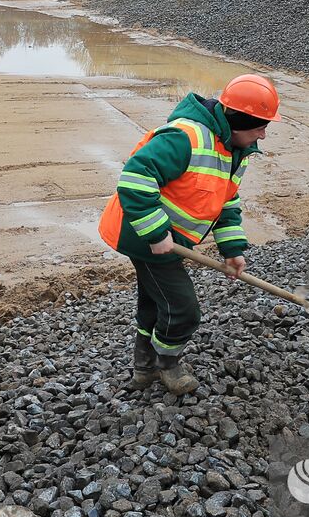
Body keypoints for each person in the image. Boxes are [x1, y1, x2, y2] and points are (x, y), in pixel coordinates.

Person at [98, 74, 280, 395]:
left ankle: (144, 368)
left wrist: (232, 249)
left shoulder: (236, 150)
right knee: (184, 310)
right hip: (143, 236)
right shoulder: (186, 138)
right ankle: (166, 365)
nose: (264, 135)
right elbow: (134, 177)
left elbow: (226, 201)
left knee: (155, 301)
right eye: (260, 126)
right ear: (238, 120)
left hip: (167, 240)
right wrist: (156, 232)